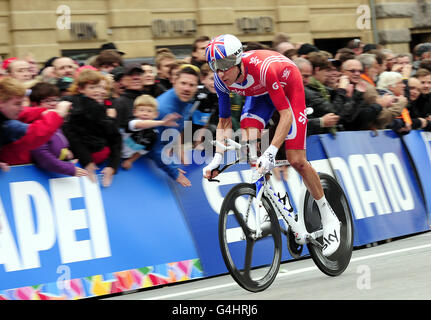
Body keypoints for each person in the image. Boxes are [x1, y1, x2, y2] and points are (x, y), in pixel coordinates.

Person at [202, 34, 340, 256]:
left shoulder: (262, 69)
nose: (219, 72)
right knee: (250, 143)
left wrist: (272, 151)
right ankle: (269, 205)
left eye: (224, 65)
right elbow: (224, 121)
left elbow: (285, 115)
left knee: (296, 160)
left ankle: (328, 217)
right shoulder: (220, 79)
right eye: (214, 65)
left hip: (287, 88)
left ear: (237, 60)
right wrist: (217, 158)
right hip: (260, 95)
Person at [62, 69, 122, 187]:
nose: (99, 91)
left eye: (103, 88)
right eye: (93, 87)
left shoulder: (105, 108)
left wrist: (113, 166)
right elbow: (73, 137)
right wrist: (87, 161)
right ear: (81, 89)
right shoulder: (75, 108)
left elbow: (115, 138)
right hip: (77, 161)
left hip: (97, 161)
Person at [120, 94, 191, 187]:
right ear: (135, 112)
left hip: (126, 157)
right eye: (141, 110)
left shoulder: (153, 135)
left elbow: (142, 151)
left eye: (149, 111)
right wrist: (162, 122)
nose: (145, 113)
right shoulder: (132, 123)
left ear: (156, 114)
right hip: (114, 153)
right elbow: (141, 124)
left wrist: (130, 160)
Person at [0, 77, 70, 167]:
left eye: (22, 103)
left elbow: (26, 112)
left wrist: (47, 112)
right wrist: (57, 114)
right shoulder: (8, 125)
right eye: (17, 104)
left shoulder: (6, 115)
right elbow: (35, 133)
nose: (21, 108)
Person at [29, 83, 88, 177]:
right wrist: (69, 169)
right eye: (47, 101)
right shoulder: (34, 124)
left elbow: (58, 146)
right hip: (38, 176)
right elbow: (42, 157)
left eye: (55, 99)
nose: (53, 103)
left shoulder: (56, 121)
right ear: (35, 104)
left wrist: (66, 154)